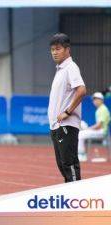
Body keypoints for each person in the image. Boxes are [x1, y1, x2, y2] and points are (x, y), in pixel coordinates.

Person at [48, 33, 86, 183]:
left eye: (58, 49)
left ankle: (76, 200)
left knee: (69, 165)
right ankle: (72, 199)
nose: (54, 52)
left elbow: (81, 90)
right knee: (63, 165)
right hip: (56, 125)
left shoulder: (71, 67)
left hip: (66, 125)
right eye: (52, 49)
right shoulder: (60, 69)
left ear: (67, 49)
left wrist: (67, 112)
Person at [78, 92, 110, 162]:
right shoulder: (100, 109)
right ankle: (82, 154)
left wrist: (88, 129)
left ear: (101, 100)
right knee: (82, 129)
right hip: (100, 131)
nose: (94, 101)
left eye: (96, 99)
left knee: (81, 134)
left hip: (102, 132)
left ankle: (82, 155)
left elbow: (99, 126)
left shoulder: (103, 109)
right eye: (93, 99)